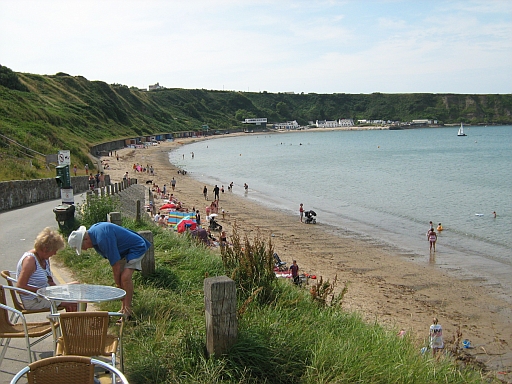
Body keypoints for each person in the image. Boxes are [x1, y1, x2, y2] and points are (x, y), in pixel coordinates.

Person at [68, 223, 151, 318]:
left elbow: (116, 265)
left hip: (136, 247)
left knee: (125, 278)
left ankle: (127, 311)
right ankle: (123, 308)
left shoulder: (102, 239)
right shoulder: (94, 232)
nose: (86, 249)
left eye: (83, 247)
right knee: (122, 279)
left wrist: (118, 285)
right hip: (124, 251)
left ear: (85, 239)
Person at [16, 227, 77, 312]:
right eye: (54, 250)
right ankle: (74, 323)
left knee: (77, 287)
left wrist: (60, 291)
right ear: (45, 249)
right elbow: (20, 287)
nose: (55, 253)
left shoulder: (44, 259)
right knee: (74, 302)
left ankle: (71, 322)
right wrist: (42, 291)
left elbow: (50, 281)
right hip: (35, 300)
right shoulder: (30, 260)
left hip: (46, 294)